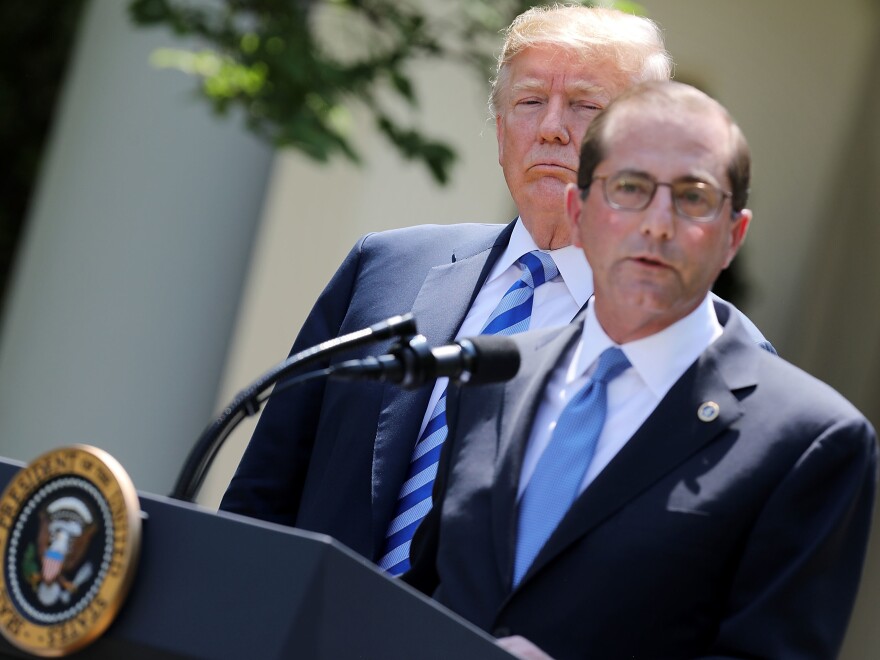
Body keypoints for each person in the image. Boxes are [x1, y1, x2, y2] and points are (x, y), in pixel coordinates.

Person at [219, 6, 769, 571]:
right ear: (501, 126)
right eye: (530, 102)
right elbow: (264, 493)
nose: (552, 127)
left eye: (586, 106)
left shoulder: (709, 348)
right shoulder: (386, 266)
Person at [403, 80, 877, 660]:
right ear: (579, 214)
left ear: (734, 236)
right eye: (629, 188)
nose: (658, 223)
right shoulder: (493, 378)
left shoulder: (811, 440)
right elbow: (425, 593)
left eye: (694, 197)